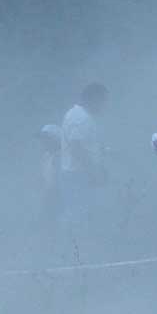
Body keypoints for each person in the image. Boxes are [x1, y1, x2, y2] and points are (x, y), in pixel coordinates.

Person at [59, 82, 109, 236]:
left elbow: (82, 144)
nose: (103, 106)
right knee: (80, 215)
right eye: (102, 101)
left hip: (73, 174)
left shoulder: (74, 113)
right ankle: (78, 243)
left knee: (76, 213)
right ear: (94, 98)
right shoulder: (82, 118)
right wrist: (93, 171)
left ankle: (73, 242)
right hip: (78, 175)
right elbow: (76, 147)